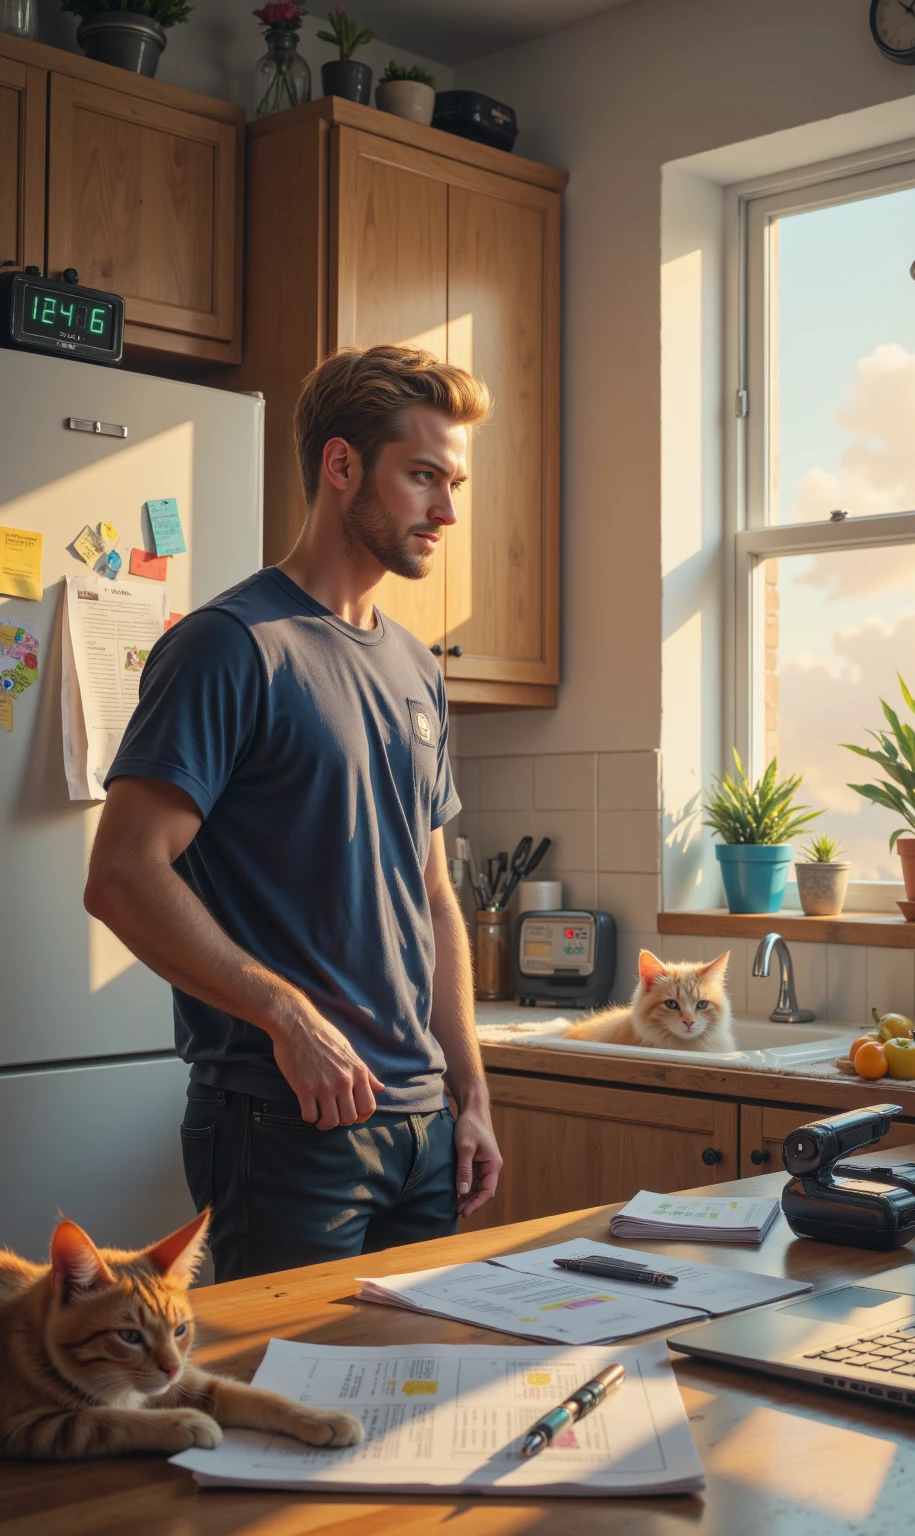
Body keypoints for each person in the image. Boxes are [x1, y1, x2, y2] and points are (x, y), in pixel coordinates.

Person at [84, 344, 502, 1281]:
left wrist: (468, 1092)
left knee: (408, 1408)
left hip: (421, 1127)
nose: (446, 511)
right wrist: (288, 1017)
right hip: (284, 1118)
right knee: (280, 1409)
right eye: (424, 477)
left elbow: (433, 897)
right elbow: (121, 876)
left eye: (454, 482)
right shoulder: (228, 648)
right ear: (341, 465)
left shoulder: (417, 666)